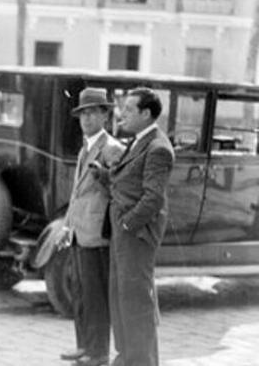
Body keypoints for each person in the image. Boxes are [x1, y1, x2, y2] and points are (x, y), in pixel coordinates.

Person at [57, 88, 125, 366]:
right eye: (82, 113)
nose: (86, 119)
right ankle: (83, 346)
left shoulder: (112, 149)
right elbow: (77, 193)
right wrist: (66, 227)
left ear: (105, 116)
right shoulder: (86, 147)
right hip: (79, 232)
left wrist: (105, 177)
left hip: (97, 234)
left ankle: (97, 353)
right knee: (82, 293)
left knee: (96, 296)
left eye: (92, 112)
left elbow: (121, 189)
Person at [108, 88, 174, 366]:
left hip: (135, 234)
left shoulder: (158, 148)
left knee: (136, 301)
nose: (122, 115)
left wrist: (126, 223)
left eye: (129, 110)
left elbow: (153, 197)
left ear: (146, 114)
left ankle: (141, 361)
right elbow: (130, 183)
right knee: (122, 297)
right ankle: (128, 356)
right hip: (124, 233)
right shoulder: (139, 142)